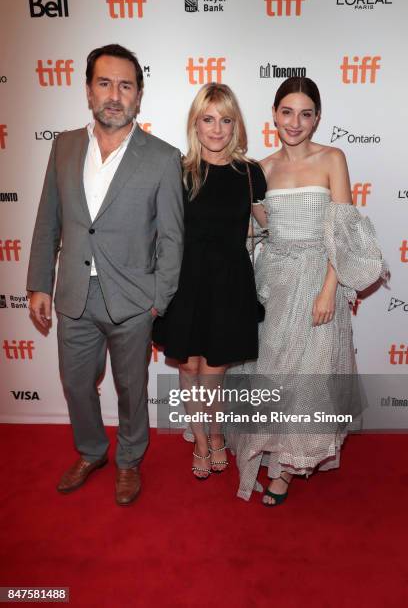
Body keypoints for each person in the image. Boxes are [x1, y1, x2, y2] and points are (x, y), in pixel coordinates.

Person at [27, 44, 183, 505]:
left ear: (138, 95)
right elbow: (47, 219)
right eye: (105, 83)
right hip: (73, 293)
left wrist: (160, 297)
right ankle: (92, 449)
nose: (114, 95)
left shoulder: (161, 156)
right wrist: (39, 282)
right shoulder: (65, 145)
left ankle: (130, 460)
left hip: (134, 299)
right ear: (88, 90)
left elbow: (173, 238)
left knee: (131, 389)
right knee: (76, 384)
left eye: (125, 85)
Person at [228, 77, 385, 504]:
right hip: (275, 282)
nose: (295, 122)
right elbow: (262, 226)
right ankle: (274, 449)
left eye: (306, 113)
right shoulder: (261, 169)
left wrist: (329, 289)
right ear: (274, 115)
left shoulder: (333, 158)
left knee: (309, 378)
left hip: (320, 277)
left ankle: (286, 470)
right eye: (286, 112)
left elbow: (343, 228)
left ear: (317, 118)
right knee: (277, 374)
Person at [153, 83, 266, 479]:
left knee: (214, 372)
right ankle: (201, 441)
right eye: (208, 119)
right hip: (185, 283)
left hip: (229, 285)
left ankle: (216, 434)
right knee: (189, 367)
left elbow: (272, 225)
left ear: (236, 125)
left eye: (226, 120)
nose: (217, 129)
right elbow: (161, 232)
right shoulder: (179, 172)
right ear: (195, 124)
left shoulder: (251, 173)